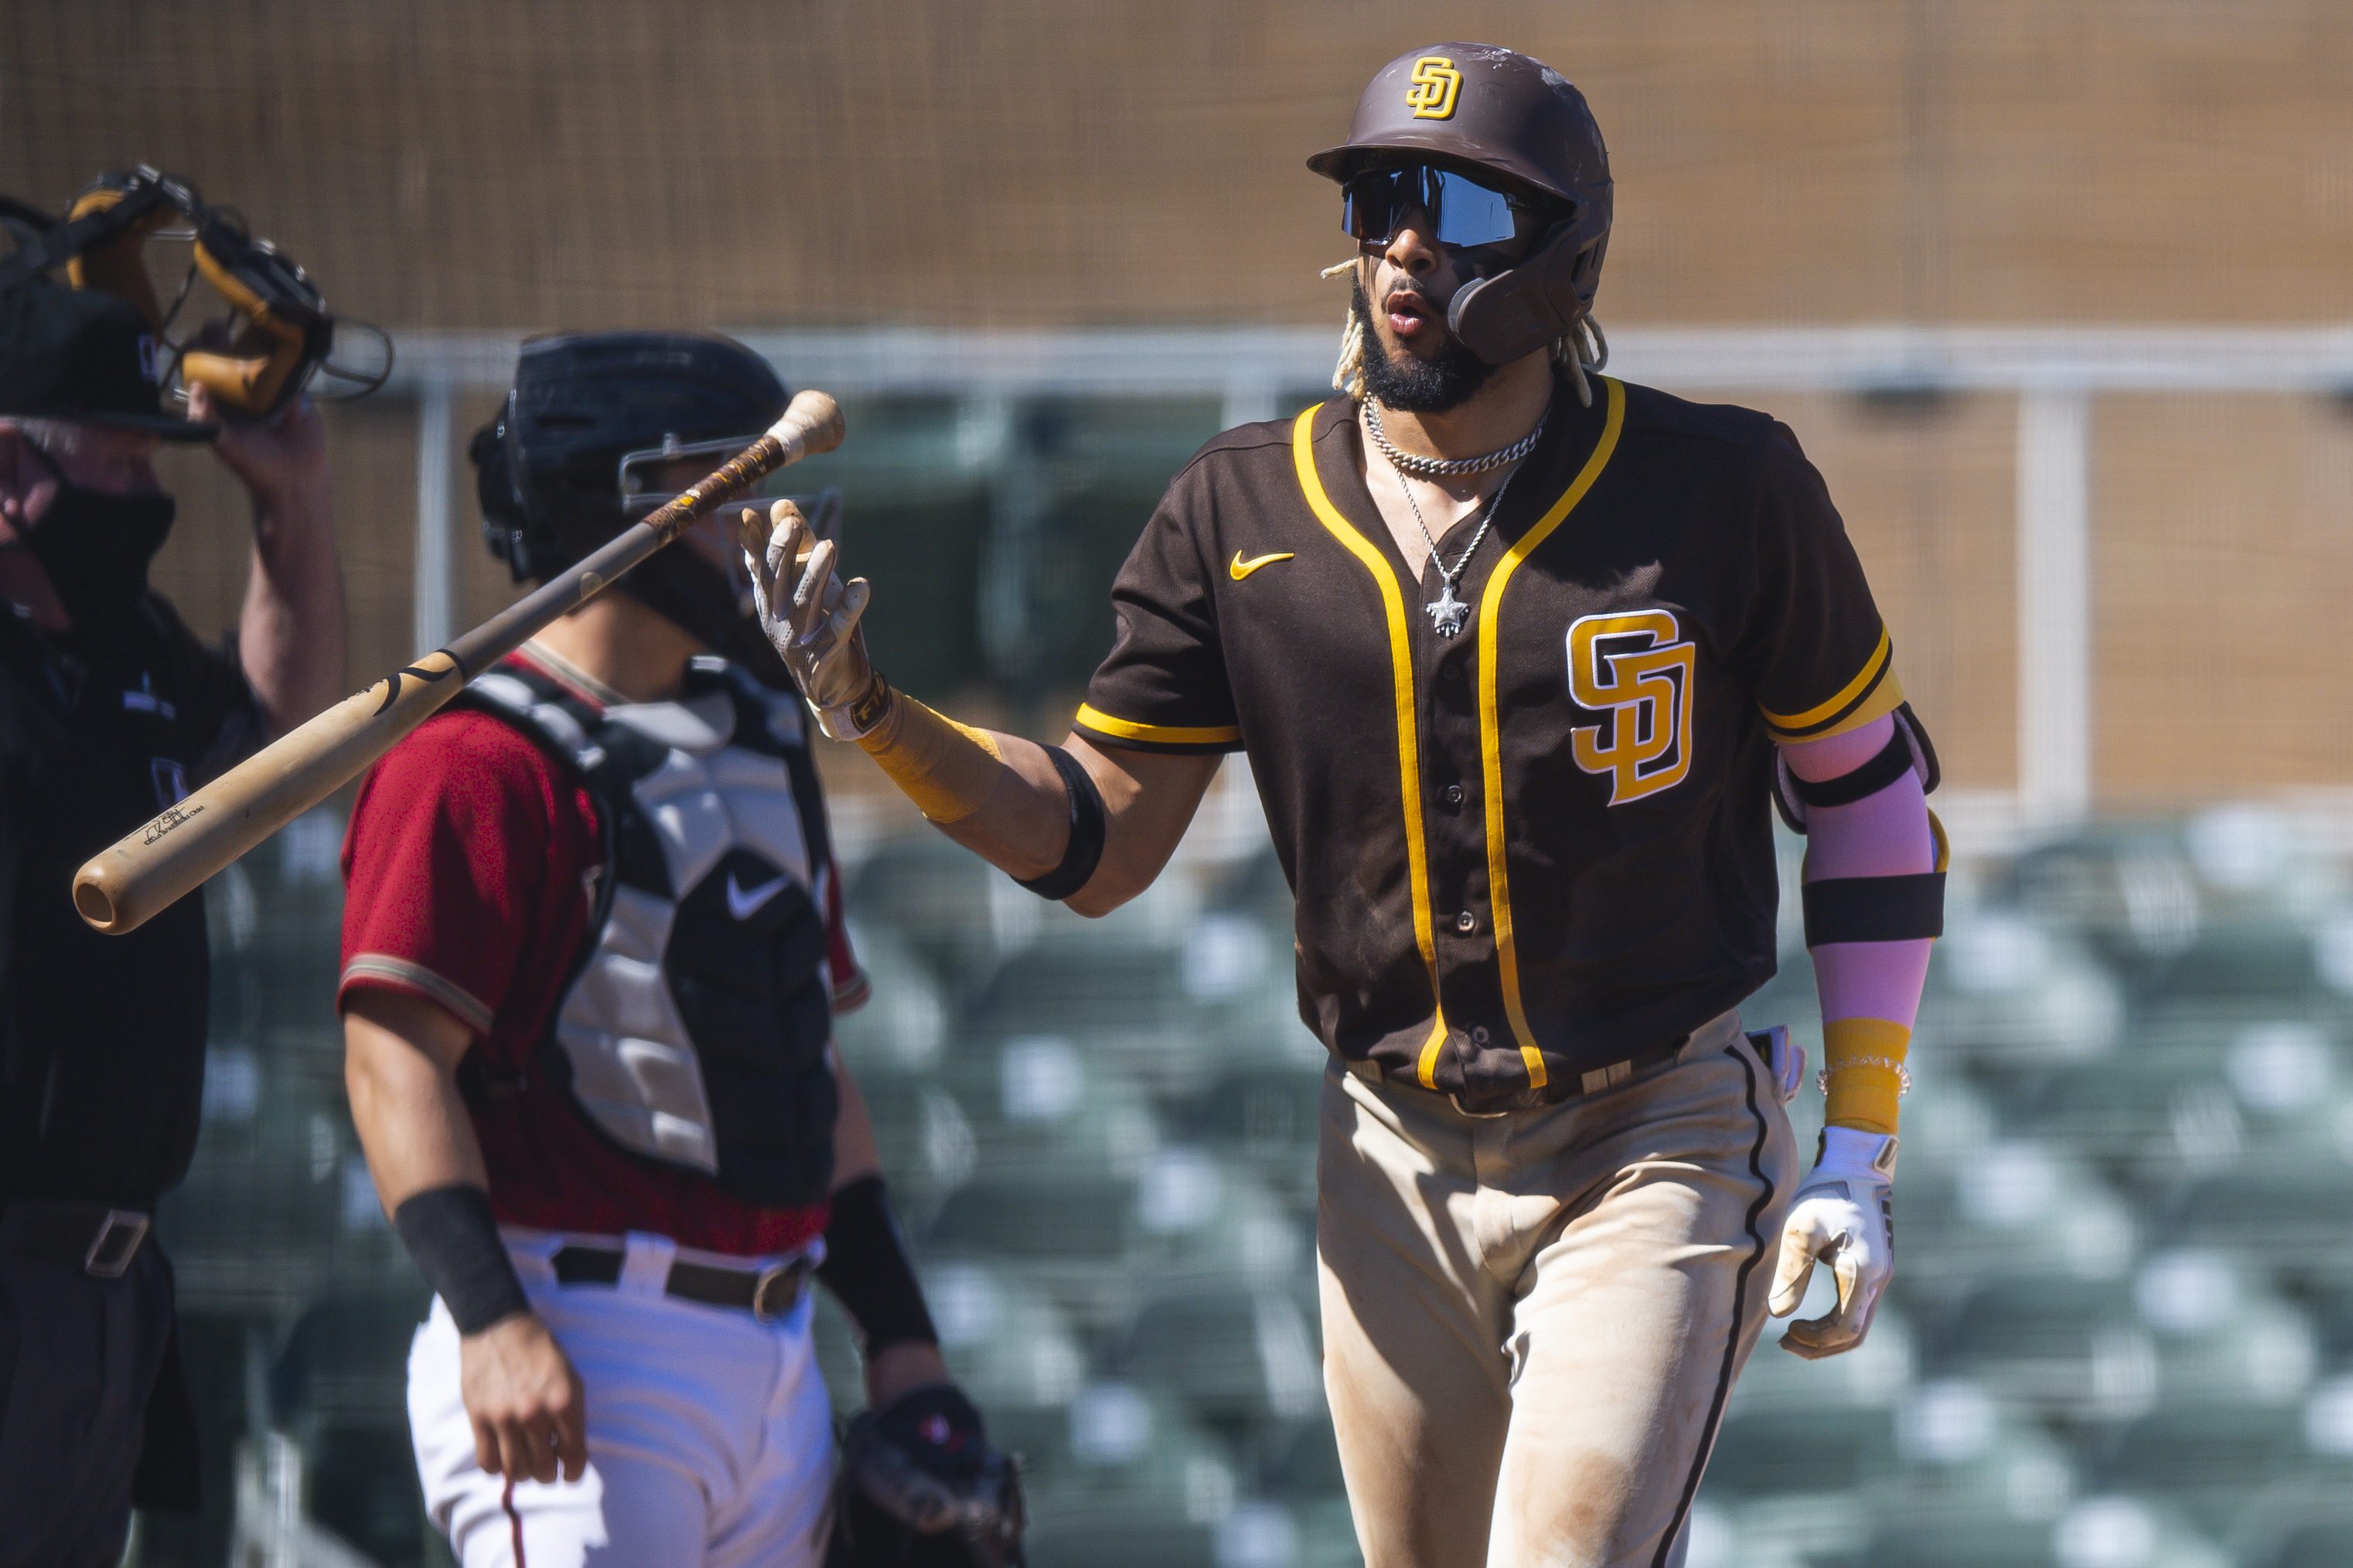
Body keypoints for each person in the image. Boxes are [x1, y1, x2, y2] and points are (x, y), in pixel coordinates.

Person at [748, 43, 1943, 1568]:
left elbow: (1869, 803)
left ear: (1568, 263)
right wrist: (871, 712)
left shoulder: (1721, 487)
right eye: (1381, 194)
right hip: (1386, 1147)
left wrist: (1861, 1146)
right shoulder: (1237, 507)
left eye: (1456, 202)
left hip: (1656, 1129)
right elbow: (1100, 838)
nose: (1403, 240)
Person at [339, 332, 1015, 1568]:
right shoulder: (470, 758)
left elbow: (811, 1070)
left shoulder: (759, 733)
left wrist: (902, 1337)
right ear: (627, 506)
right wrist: (489, 1319)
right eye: (737, 494)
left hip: (777, 1353)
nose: (775, 537)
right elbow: (393, 1061)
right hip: (578, 1340)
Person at [0, 279, 345, 1567]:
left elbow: (285, 759)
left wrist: (291, 502)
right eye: (112, 454)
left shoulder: (133, 647)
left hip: (109, 1289)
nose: (145, 491)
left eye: (153, 455)